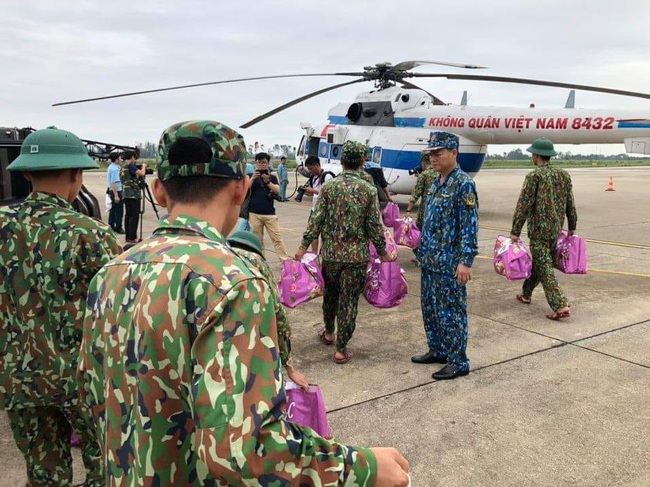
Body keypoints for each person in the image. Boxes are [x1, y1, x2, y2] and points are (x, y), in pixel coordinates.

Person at [77, 120, 409, 486]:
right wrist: (361, 468)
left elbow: (92, 394)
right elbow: (244, 449)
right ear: (241, 189)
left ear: (157, 191)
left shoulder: (109, 273)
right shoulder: (234, 281)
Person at [0, 127, 122, 485]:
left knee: (43, 474)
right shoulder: (91, 233)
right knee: (105, 467)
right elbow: (117, 305)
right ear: (76, 175)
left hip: (19, 379)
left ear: (26, 173)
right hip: (83, 379)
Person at [296, 141, 396, 365]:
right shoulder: (368, 190)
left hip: (331, 255)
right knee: (349, 301)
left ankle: (329, 333)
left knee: (330, 296)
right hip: (356, 258)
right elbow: (374, 226)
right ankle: (341, 349)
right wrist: (383, 253)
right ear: (362, 162)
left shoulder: (328, 188)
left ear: (341, 161)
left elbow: (316, 220)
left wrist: (303, 247)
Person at [411, 131, 479, 380]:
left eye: (438, 153)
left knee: (451, 313)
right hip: (429, 260)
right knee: (430, 309)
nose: (433, 158)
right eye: (431, 153)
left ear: (454, 153)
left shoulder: (463, 184)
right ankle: (438, 349)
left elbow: (469, 226)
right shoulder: (436, 182)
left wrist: (465, 261)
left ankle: (459, 361)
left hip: (450, 264)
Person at [227, 230, 309, 389]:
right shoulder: (256, 262)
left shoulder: (216, 256)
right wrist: (289, 367)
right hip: (248, 344)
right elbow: (278, 315)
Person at [510, 137, 577, 321]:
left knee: (544, 267)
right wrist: (572, 226)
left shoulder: (534, 176)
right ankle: (526, 293)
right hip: (556, 229)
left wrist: (515, 230)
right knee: (541, 263)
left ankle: (560, 304)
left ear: (536, 155)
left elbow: (523, 205)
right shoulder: (564, 175)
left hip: (539, 231)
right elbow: (570, 203)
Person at [248, 151, 290, 260]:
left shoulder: (272, 177)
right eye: (259, 162)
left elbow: (278, 191)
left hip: (269, 213)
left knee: (277, 238)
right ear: (255, 163)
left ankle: (285, 261)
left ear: (268, 164)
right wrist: (253, 178)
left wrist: (267, 181)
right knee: (257, 240)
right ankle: (260, 261)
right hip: (254, 213)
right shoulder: (250, 176)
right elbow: (245, 189)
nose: (261, 164)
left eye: (264, 162)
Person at [302, 155, 335, 252]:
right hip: (314, 210)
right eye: (308, 169)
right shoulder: (313, 178)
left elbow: (329, 194)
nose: (310, 171)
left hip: (326, 211)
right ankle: (314, 254)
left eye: (311, 168)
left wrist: (313, 190)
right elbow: (313, 194)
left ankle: (323, 254)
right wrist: (306, 191)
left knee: (325, 235)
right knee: (313, 234)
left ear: (317, 165)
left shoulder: (327, 176)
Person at [121, 149, 147, 243]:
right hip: (133, 194)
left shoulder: (123, 166)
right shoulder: (130, 166)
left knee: (128, 215)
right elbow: (142, 173)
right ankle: (133, 237)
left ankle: (128, 236)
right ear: (132, 157)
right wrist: (143, 167)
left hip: (126, 194)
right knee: (134, 216)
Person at [106, 151, 124, 233]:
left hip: (112, 190)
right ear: (116, 159)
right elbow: (114, 182)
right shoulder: (114, 169)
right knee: (118, 211)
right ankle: (118, 228)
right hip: (116, 190)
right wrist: (116, 195)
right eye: (120, 158)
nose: (121, 160)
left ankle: (112, 226)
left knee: (113, 210)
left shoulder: (113, 167)